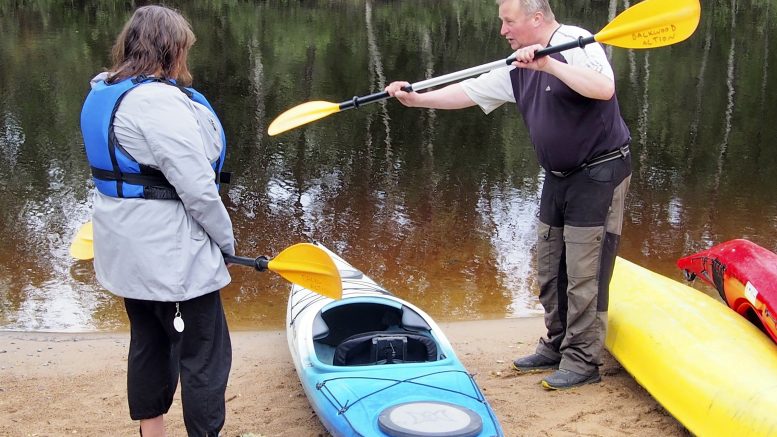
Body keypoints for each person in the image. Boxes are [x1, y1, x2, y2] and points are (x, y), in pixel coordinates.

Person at [385, 0, 631, 390]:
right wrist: (416, 99)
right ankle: (555, 344)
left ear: (536, 19)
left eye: (508, 21)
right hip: (558, 175)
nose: (503, 30)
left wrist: (548, 64)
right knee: (550, 266)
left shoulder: (575, 41)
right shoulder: (518, 66)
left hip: (599, 173)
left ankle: (583, 361)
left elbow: (604, 89)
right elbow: (468, 92)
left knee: (584, 273)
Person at [80, 5, 235, 435]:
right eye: (183, 49)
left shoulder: (104, 91)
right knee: (205, 356)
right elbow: (198, 189)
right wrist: (225, 245)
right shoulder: (155, 102)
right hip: (173, 258)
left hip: (127, 253)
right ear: (170, 50)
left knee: (149, 343)